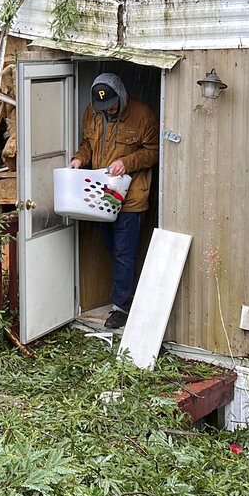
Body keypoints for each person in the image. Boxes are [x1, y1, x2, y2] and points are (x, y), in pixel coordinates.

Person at [68, 73, 159, 329]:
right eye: (103, 107)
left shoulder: (143, 115)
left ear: (122, 94)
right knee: (111, 246)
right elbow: (88, 143)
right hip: (103, 194)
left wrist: (126, 163)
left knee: (124, 252)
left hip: (130, 197)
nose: (108, 110)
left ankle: (121, 306)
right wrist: (79, 159)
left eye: (112, 105)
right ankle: (126, 293)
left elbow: (154, 151)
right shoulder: (93, 112)